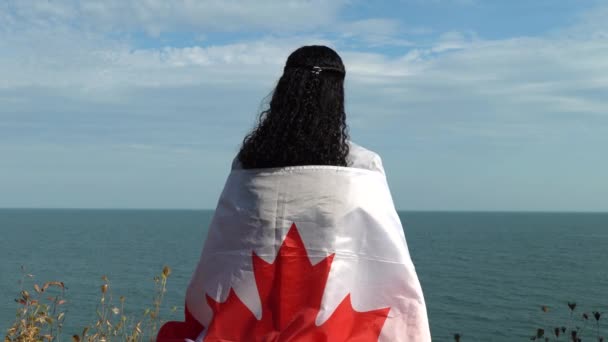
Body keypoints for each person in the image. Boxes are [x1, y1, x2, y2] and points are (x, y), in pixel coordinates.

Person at [157, 45, 430, 342]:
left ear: (283, 91)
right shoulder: (363, 167)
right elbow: (383, 259)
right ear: (336, 95)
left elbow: (223, 255)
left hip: (246, 330)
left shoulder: (247, 164)